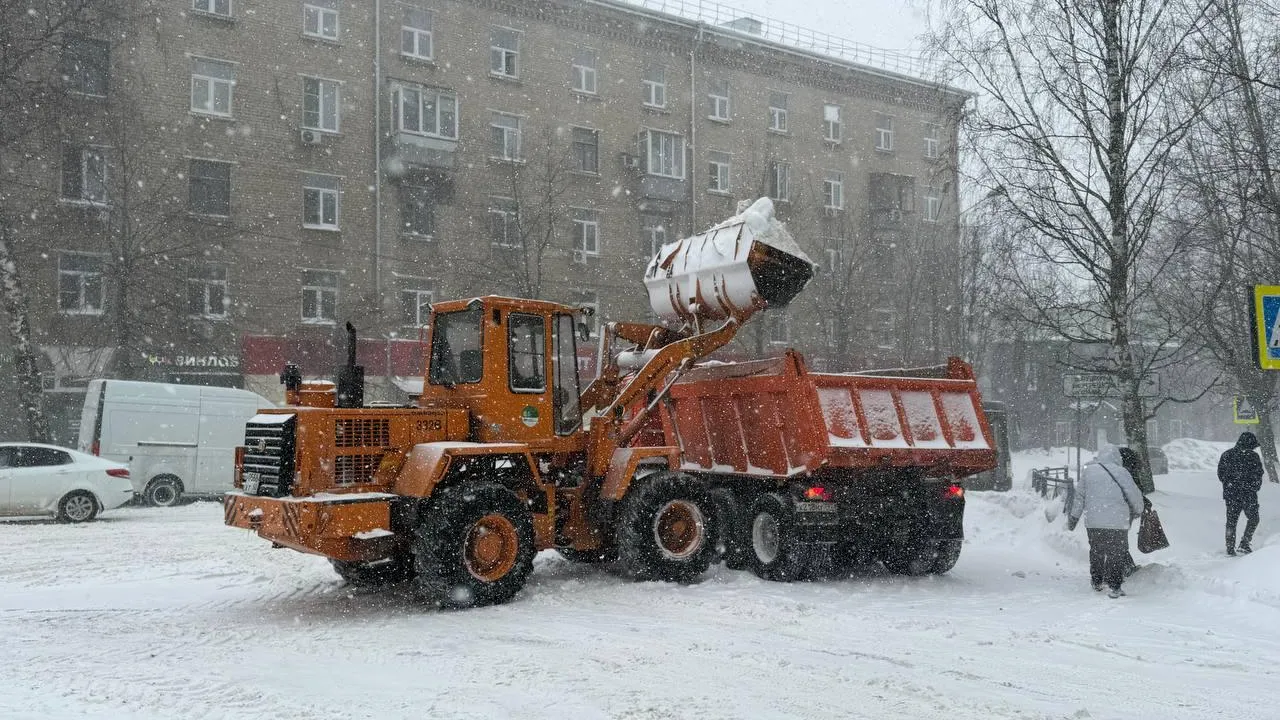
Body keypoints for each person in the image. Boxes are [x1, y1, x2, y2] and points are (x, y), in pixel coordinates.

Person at [1067, 445, 1145, 598]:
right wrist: (1139, 509)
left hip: (1094, 522)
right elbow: (1134, 494)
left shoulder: (1088, 472)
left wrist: (1074, 517)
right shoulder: (1122, 472)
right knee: (1117, 553)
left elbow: (1079, 497)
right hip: (1117, 522)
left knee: (1097, 550)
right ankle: (1115, 586)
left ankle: (1097, 581)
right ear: (1117, 457)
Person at [1217, 431, 1263, 556]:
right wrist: (1253, 487)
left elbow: (1220, 474)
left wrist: (1230, 484)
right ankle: (1244, 543)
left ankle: (1230, 548)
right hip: (1249, 495)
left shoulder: (1226, 455)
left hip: (1231, 495)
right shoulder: (1253, 457)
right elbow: (1259, 474)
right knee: (1254, 518)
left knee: (1231, 521)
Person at [1117, 447, 1153, 576]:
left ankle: (1124, 565)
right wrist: (1143, 502)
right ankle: (1125, 566)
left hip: (1120, 510)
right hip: (1125, 510)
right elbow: (1135, 491)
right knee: (1120, 539)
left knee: (1118, 539)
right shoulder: (1128, 473)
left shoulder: (1119, 472)